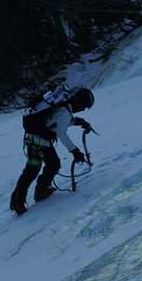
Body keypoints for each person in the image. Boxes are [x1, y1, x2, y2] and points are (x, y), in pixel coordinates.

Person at [9, 87, 96, 215]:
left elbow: (57, 122)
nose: (83, 109)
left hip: (37, 142)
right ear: (80, 102)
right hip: (38, 144)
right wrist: (75, 151)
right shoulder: (65, 111)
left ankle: (39, 191)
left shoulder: (63, 107)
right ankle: (20, 201)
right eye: (84, 106)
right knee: (33, 170)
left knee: (51, 165)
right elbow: (61, 132)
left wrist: (79, 122)